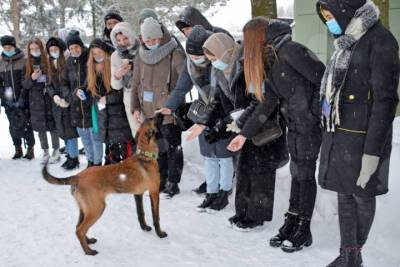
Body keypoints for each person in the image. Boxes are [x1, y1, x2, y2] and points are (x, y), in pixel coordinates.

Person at [228, 17, 325, 251]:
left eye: (248, 39)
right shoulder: (270, 59)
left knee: (305, 174)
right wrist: (244, 134)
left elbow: (323, 78)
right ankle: (292, 219)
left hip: (309, 125)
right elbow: (267, 102)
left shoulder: (290, 51)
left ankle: (304, 227)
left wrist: (312, 112)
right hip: (293, 125)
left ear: (259, 36)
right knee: (296, 173)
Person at [316, 0, 399, 266]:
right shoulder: (345, 41)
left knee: (362, 197)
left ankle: (356, 252)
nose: (329, 22)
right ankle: (347, 254)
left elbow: (385, 101)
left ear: (345, 10)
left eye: (331, 15)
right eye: (325, 18)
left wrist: (372, 153)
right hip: (339, 135)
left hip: (363, 139)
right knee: (344, 195)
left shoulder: (381, 40)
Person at [187, 32, 288, 230]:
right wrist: (205, 122)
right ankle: (242, 211)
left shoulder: (247, 65)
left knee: (260, 173)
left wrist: (236, 121)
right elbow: (218, 101)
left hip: (261, 126)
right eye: (210, 59)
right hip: (241, 126)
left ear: (224, 52)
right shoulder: (220, 72)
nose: (213, 63)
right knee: (243, 170)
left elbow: (258, 101)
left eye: (214, 58)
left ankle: (256, 216)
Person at [159, 25, 235, 211]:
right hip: (203, 109)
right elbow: (181, 88)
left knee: (224, 156)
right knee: (209, 155)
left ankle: (224, 192)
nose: (194, 59)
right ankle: (211, 192)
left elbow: (225, 94)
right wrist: (169, 106)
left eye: (197, 55)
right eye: (191, 56)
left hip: (223, 111)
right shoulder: (190, 65)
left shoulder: (219, 63)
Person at [131, 17, 186, 198]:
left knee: (172, 147)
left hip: (169, 110)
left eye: (154, 40)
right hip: (149, 110)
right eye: (148, 41)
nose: (151, 43)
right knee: (157, 148)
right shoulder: (140, 55)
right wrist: (135, 106)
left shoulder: (175, 53)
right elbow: (136, 83)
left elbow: (185, 81)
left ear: (161, 37)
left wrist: (172, 103)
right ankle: (160, 179)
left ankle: (173, 181)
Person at [87, 38, 134, 164]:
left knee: (124, 152)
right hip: (104, 117)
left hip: (118, 116)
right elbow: (94, 92)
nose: (97, 56)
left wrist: (108, 99)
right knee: (111, 151)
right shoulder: (92, 70)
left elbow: (122, 91)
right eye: (94, 54)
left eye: (100, 52)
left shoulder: (113, 66)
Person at [64, 32, 101, 167]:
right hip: (76, 107)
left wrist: (86, 89)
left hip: (91, 105)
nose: (74, 50)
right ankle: (90, 162)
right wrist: (73, 94)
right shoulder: (68, 62)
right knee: (85, 138)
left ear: (81, 45)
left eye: (76, 47)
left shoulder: (90, 58)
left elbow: (97, 78)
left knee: (95, 138)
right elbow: (64, 84)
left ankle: (97, 164)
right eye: (71, 48)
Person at [22, 38, 59, 163]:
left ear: (42, 48)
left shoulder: (48, 61)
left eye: (37, 48)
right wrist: (32, 78)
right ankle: (45, 151)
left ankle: (56, 149)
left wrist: (47, 78)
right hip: (35, 100)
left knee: (53, 126)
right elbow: (25, 85)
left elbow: (55, 78)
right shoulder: (26, 63)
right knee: (40, 127)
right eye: (32, 49)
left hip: (48, 96)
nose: (34, 51)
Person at [46, 37, 80, 169]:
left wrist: (67, 99)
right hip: (57, 104)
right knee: (62, 131)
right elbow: (48, 84)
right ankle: (70, 155)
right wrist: (54, 96)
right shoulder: (49, 64)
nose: (54, 52)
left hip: (69, 102)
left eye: (56, 49)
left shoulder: (68, 62)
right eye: (51, 50)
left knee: (70, 132)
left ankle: (74, 157)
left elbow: (72, 83)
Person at [0, 35, 35, 159]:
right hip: (9, 100)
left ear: (14, 46)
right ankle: (17, 148)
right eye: (5, 47)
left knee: (26, 124)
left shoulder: (24, 60)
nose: (7, 49)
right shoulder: (1, 62)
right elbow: (1, 84)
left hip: (23, 99)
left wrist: (22, 98)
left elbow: (26, 81)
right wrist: (7, 98)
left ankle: (30, 149)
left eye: (9, 46)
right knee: (13, 125)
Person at [110, 22, 140, 136]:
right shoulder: (115, 56)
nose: (122, 42)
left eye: (125, 38)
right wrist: (117, 76)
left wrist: (134, 67)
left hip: (146, 96)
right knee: (138, 135)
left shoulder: (142, 49)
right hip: (129, 97)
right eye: (118, 40)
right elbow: (116, 86)